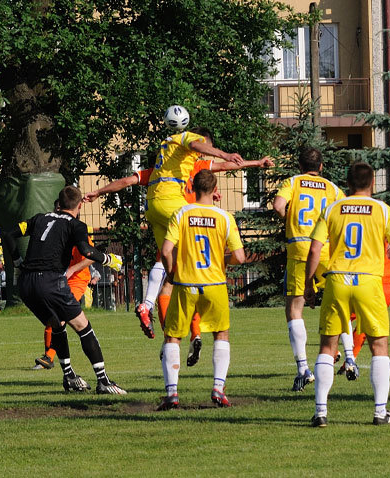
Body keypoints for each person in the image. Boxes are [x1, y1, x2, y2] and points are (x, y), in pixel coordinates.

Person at [84, 135, 270, 359]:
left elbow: (125, 181)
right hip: (196, 238)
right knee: (190, 287)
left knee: (166, 273)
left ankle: (153, 313)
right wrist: (256, 163)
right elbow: (224, 164)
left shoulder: (157, 174)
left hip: (163, 218)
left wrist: (98, 192)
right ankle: (194, 335)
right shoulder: (195, 163)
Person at [304, 162, 390, 427]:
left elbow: (315, 249)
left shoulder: (332, 208)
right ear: (372, 183)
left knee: (328, 347)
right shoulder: (384, 210)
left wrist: (308, 285)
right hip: (369, 283)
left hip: (337, 280)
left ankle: (320, 412)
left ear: (347, 183)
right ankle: (379, 412)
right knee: (379, 346)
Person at [5, 186, 126, 394]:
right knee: (83, 327)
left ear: (58, 203)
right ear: (79, 205)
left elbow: (8, 234)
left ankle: (69, 376)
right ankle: (103, 381)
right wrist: (108, 260)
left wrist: (18, 262)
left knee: (58, 327)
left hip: (26, 284)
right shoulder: (76, 224)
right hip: (51, 281)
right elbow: (86, 251)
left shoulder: (39, 218)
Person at [157, 169, 246, 410]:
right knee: (221, 334)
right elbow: (240, 256)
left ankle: (172, 394)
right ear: (215, 190)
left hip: (186, 284)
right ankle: (218, 388)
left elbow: (166, 250)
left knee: (173, 336)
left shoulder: (182, 213)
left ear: (191, 188)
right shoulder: (225, 217)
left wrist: (172, 271)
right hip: (215, 284)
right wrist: (222, 261)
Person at [272, 147, 344, 392]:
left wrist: (287, 217)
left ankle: (303, 369)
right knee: (336, 303)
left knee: (294, 309)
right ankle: (350, 357)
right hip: (326, 249)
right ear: (321, 166)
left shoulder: (292, 182)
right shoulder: (333, 188)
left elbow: (278, 205)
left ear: (300, 166)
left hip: (300, 248)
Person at [341, 236, 390, 373]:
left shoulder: (372, 227)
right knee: (366, 325)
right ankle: (350, 359)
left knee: (343, 317)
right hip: (387, 288)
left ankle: (340, 355)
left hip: (367, 281)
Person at [33, 209, 97, 370]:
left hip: (78, 280)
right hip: (60, 279)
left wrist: (72, 269)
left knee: (59, 315)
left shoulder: (79, 232)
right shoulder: (58, 232)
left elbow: (91, 256)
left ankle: (49, 357)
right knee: (52, 317)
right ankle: (49, 357)